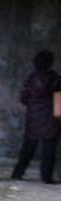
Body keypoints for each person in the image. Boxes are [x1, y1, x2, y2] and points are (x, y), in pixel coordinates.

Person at [12, 49, 61, 184]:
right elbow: (59, 99)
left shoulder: (31, 78)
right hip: (50, 118)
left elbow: (24, 98)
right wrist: (58, 116)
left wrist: (33, 106)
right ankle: (47, 177)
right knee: (49, 149)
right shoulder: (56, 78)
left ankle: (18, 172)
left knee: (28, 146)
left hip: (34, 116)